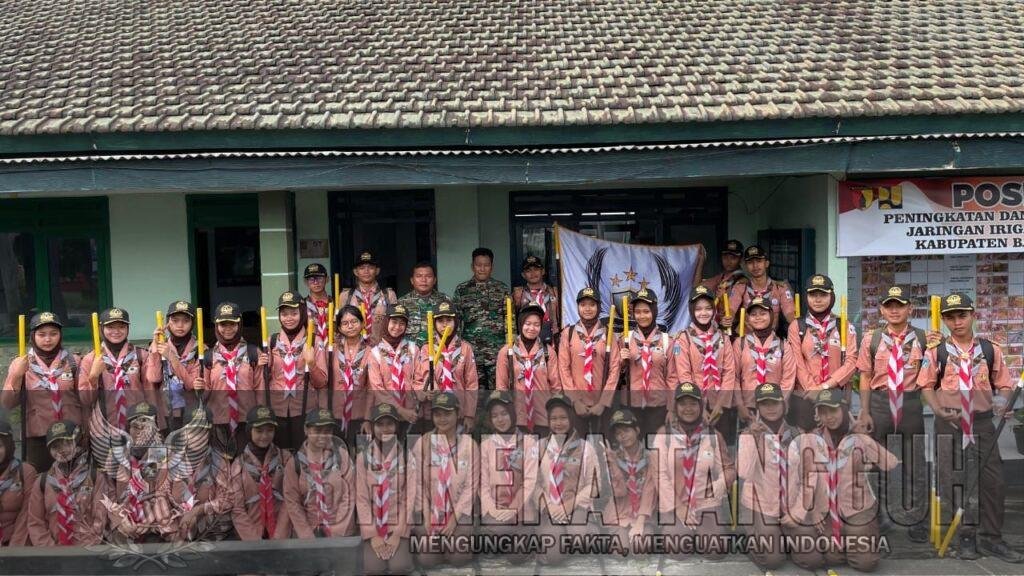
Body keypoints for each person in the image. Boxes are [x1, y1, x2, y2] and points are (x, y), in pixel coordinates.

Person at [918, 292, 1023, 563]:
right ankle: (965, 536)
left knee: (993, 482)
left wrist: (1002, 402)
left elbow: (1004, 384)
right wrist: (937, 409)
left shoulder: (989, 349)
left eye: (962, 315)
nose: (957, 322)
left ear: (973, 315)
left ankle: (991, 538)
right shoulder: (937, 352)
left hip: (982, 423)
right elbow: (926, 385)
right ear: (944, 320)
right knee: (953, 480)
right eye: (951, 317)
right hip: (949, 422)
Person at [854, 286, 929, 543]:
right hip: (880, 404)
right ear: (882, 310)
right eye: (889, 305)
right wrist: (864, 411)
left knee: (915, 464)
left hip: (910, 404)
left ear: (910, 308)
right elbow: (865, 376)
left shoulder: (923, 338)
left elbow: (931, 375)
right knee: (877, 462)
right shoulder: (872, 339)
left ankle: (917, 518)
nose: (894, 310)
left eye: (900, 305)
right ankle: (880, 516)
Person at [807, 388, 898, 573]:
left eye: (833, 410)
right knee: (832, 559)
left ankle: (861, 539)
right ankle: (848, 542)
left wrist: (864, 437)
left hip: (858, 508)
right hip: (827, 509)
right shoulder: (813, 438)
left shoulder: (858, 437)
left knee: (866, 564)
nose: (829, 417)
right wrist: (814, 509)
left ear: (843, 408)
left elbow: (890, 463)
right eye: (823, 412)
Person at [737, 383, 823, 572]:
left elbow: (810, 475)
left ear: (784, 405)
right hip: (761, 506)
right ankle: (753, 539)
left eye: (775, 402)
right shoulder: (748, 436)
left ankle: (783, 538)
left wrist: (798, 512)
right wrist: (755, 440)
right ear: (757, 408)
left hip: (792, 504)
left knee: (813, 559)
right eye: (765, 404)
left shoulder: (798, 434)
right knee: (773, 560)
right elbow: (744, 472)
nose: (770, 408)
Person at [654, 382, 735, 560]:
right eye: (683, 404)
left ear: (701, 406)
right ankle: (685, 533)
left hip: (706, 503)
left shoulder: (713, 435)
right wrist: (678, 507)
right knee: (677, 550)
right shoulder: (664, 435)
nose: (688, 408)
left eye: (693, 403)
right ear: (675, 407)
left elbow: (728, 468)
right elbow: (660, 475)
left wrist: (722, 482)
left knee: (716, 550)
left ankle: (702, 534)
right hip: (676, 502)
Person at [2, 311, 84, 472]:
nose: (48, 339)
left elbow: (86, 399)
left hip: (72, 433)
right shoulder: (21, 363)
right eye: (42, 334)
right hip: (38, 437)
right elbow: (6, 403)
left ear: (60, 335)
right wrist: (16, 375)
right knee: (40, 481)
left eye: (53, 334)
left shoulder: (73, 361)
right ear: (33, 336)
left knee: (75, 478)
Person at [409, 391, 477, 569]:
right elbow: (418, 483)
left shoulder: (468, 445)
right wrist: (426, 516)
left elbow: (471, 487)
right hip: (431, 511)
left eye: (447, 413)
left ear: (458, 414)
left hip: (458, 513)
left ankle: (453, 544)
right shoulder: (423, 443)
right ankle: (439, 546)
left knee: (458, 558)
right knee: (427, 560)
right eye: (438, 414)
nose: (442, 419)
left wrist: (454, 518)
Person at [91, 401, 176, 542]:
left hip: (158, 528)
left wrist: (151, 522)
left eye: (146, 425)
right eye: (135, 426)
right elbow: (107, 494)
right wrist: (119, 520)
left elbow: (174, 496)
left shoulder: (166, 455)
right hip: (125, 527)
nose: (140, 430)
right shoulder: (116, 457)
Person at [532, 393, 600, 566]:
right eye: (553, 418)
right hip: (550, 508)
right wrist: (549, 506)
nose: (558, 423)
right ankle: (556, 542)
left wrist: (570, 504)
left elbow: (594, 484)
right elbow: (534, 484)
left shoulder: (585, 448)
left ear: (571, 418)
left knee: (580, 536)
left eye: (563, 417)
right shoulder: (539, 447)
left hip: (576, 507)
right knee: (554, 558)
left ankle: (579, 535)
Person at [788, 274, 858, 432]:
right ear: (807, 297)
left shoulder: (843, 325)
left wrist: (824, 387)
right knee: (808, 443)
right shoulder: (797, 327)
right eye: (813, 295)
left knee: (836, 444)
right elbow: (797, 363)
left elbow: (851, 362)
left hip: (836, 397)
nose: (818, 300)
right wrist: (813, 390)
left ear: (831, 297)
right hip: (806, 397)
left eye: (823, 295)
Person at [257, 291, 325, 452]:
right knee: (279, 453)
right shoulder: (272, 341)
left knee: (304, 453)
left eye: (294, 313)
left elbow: (322, 382)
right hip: (276, 408)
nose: (289, 318)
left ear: (302, 313)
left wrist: (312, 364)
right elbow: (264, 379)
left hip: (304, 407)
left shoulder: (314, 341)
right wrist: (261, 367)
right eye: (284, 314)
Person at [80, 307, 162, 430]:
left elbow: (151, 392)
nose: (116, 331)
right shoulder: (90, 359)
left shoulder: (140, 356)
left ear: (127, 328)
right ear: (101, 329)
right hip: (105, 428)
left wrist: (155, 422)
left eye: (121, 327)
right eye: (110, 327)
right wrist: (94, 376)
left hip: (138, 425)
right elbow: (85, 400)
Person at [673, 285, 738, 443]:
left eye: (708, 308)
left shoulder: (723, 337)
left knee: (721, 448)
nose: (703, 313)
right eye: (698, 309)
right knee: (696, 449)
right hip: (693, 404)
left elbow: (729, 372)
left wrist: (721, 404)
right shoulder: (683, 338)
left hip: (719, 404)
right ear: (691, 311)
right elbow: (684, 375)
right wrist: (698, 407)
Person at [356, 403, 415, 575]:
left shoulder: (406, 456)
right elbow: (362, 499)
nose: (385, 429)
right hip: (373, 523)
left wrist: (398, 534)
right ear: (372, 427)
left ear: (396, 426)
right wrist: (372, 535)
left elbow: (409, 498)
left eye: (389, 424)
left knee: (400, 567)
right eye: (380, 424)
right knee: (372, 568)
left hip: (398, 522)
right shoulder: (363, 458)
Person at [196, 302, 259, 457]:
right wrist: (200, 388)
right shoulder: (209, 356)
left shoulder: (253, 353)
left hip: (246, 420)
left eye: (232, 323)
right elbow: (205, 394)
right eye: (223, 324)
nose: (228, 328)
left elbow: (260, 390)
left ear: (240, 324)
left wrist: (259, 418)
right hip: (219, 421)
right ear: (216, 326)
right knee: (221, 464)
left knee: (246, 463)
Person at [27, 421, 105, 546]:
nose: (61, 450)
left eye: (67, 443)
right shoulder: (42, 481)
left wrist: (86, 547)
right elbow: (35, 522)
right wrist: (51, 550)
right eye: (55, 446)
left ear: (78, 442)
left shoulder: (95, 477)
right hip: (52, 550)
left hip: (87, 549)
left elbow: (100, 516)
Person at [557, 287, 621, 436]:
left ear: (598, 307)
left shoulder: (608, 334)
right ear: (577, 307)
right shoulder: (568, 333)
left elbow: (615, 369)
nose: (587, 309)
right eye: (583, 304)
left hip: (602, 405)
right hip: (576, 405)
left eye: (592, 305)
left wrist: (603, 403)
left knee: (602, 444)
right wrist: (575, 401)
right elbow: (563, 368)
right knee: (577, 445)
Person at [283, 408, 356, 538]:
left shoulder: (341, 456)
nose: (323, 436)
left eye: (327, 431)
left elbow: (349, 495)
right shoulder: (295, 463)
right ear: (306, 430)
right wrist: (307, 535)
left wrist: (337, 531)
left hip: (341, 531)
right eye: (317, 430)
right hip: (308, 531)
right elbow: (293, 502)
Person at [479, 390, 536, 550]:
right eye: (495, 416)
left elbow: (530, 481)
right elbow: (482, 484)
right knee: (492, 536)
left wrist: (513, 509)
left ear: (512, 413)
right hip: (496, 508)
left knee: (517, 555)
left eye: (504, 413)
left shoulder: (528, 442)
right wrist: (492, 509)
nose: (500, 419)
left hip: (523, 508)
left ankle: (523, 537)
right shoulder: (486, 446)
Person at [167, 406, 233, 542]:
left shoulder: (219, 462)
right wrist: (173, 531)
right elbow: (160, 496)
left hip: (208, 532)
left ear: (209, 433)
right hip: (173, 529)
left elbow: (227, 500)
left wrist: (198, 511)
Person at [413, 300, 479, 432]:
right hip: (434, 411)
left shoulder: (465, 348)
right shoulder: (427, 348)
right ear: (434, 323)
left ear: (455, 322)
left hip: (458, 410)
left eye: (449, 320)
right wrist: (428, 390)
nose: (444, 325)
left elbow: (471, 384)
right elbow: (422, 376)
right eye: (440, 321)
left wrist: (469, 414)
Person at [230, 405, 293, 540]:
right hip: (249, 536)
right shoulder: (238, 464)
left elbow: (290, 500)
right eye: (259, 431)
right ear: (249, 431)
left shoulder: (286, 459)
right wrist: (254, 542)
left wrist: (279, 537)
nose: (264, 436)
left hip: (282, 534)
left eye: (270, 430)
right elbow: (237, 508)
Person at [496, 305, 560, 436]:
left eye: (536, 324)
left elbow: (556, 386)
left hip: (543, 416)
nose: (532, 328)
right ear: (521, 324)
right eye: (528, 323)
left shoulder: (548, 353)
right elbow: (501, 386)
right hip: (517, 416)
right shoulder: (507, 352)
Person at [454, 247, 509, 396]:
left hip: (497, 351)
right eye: (478, 265)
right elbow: (456, 321)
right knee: (474, 392)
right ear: (472, 266)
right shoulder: (462, 290)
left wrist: (510, 346)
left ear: (492, 267)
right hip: (472, 352)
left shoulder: (502, 289)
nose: (482, 269)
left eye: (486, 265)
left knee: (498, 393)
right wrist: (457, 348)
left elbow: (509, 320)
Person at [619, 288, 674, 439]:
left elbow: (672, 377)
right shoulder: (625, 339)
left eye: (646, 311)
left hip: (658, 406)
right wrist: (621, 362)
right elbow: (614, 373)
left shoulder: (667, 341)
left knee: (655, 446)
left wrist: (671, 407)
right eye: (638, 312)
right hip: (631, 403)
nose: (642, 316)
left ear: (654, 311)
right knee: (632, 445)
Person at [733, 296, 796, 425]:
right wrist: (740, 405)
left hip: (775, 407)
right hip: (748, 407)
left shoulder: (783, 346)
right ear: (748, 318)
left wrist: (780, 405)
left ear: (771, 316)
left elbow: (788, 378)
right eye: (753, 314)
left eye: (763, 313)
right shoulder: (740, 344)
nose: (758, 317)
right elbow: (734, 377)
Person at [603, 408, 656, 555]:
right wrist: (613, 464)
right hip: (619, 515)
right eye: (618, 433)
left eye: (626, 430)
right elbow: (619, 492)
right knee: (620, 551)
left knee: (641, 550)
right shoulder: (613, 457)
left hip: (643, 515)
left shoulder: (651, 457)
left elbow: (649, 492)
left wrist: (640, 522)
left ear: (637, 430)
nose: (622, 436)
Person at [323, 305, 372, 447]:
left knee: (360, 454)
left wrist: (367, 419)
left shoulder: (371, 351)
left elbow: (371, 389)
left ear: (362, 323)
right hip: (335, 414)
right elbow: (323, 383)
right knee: (337, 454)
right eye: (345, 323)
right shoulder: (331, 350)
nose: (350, 326)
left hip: (360, 415)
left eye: (354, 321)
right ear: (339, 328)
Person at [367, 304, 420, 431]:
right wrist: (400, 410)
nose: (397, 327)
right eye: (394, 322)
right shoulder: (375, 353)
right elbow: (377, 388)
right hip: (385, 416)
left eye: (402, 323)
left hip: (411, 413)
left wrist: (422, 393)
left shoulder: (413, 349)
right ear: (386, 322)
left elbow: (418, 379)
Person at [150, 300, 200, 432]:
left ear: (193, 323)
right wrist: (155, 345)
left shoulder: (200, 349)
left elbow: (190, 384)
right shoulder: (160, 346)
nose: (180, 325)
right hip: (166, 410)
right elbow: (154, 378)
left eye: (186, 321)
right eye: (175, 320)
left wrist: (172, 357)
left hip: (190, 410)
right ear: (168, 322)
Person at [725, 244, 795, 337]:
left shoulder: (780, 288)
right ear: (745, 266)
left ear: (766, 263)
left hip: (770, 338)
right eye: (750, 262)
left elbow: (790, 312)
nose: (755, 266)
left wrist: (797, 324)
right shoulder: (741, 287)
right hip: (745, 338)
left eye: (759, 261)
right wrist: (728, 317)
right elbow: (731, 307)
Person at [338, 250, 398, 345]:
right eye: (362, 268)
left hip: (381, 347)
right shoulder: (346, 296)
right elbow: (340, 325)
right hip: (355, 348)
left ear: (377, 270)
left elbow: (395, 323)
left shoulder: (388, 295)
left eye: (370, 267)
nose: (366, 271)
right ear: (355, 272)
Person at [397, 261, 449, 347]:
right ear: (412, 280)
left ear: (434, 280)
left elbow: (454, 328)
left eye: (428, 276)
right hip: (410, 352)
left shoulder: (445, 301)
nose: (423, 280)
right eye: (419, 276)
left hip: (438, 351)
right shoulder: (401, 303)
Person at [513, 255, 560, 345]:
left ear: (543, 271)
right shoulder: (518, 294)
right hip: (526, 342)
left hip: (553, 341)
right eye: (528, 271)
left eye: (536, 269)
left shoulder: (555, 292)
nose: (533, 273)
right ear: (523, 275)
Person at [0, 420, 34, 547]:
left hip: (15, 542)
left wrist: (14, 550)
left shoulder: (25, 472)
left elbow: (27, 513)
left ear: (8, 446)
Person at [701, 239, 747, 314]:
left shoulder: (742, 282)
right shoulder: (721, 277)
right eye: (725, 257)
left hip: (733, 320)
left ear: (741, 260)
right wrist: (701, 261)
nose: (729, 261)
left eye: (733, 258)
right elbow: (698, 287)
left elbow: (730, 313)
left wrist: (722, 299)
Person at [303, 263, 333, 349]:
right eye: (311, 279)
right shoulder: (302, 305)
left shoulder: (335, 303)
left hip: (333, 347)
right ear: (306, 282)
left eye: (319, 278)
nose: (316, 282)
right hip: (311, 348)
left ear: (327, 279)